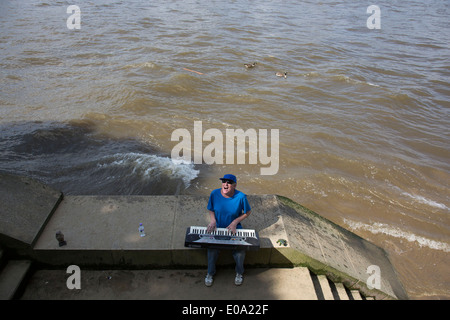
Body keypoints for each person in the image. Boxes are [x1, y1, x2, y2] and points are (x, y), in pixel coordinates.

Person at [205, 174, 252, 287]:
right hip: (218, 227)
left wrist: (235, 222)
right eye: (224, 181)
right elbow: (211, 209)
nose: (226, 184)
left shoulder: (241, 197)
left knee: (240, 252)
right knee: (211, 251)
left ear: (234, 185)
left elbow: (247, 212)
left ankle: (239, 273)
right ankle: (210, 273)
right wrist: (212, 221)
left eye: (229, 182)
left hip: (235, 228)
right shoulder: (214, 193)